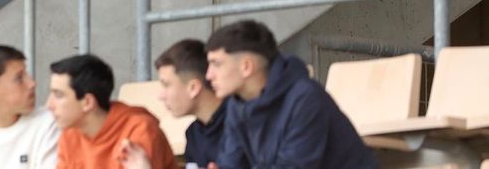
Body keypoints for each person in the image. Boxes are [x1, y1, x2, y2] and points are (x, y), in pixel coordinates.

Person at [205, 19, 376, 169]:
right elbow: (231, 162)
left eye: (216, 64)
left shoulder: (305, 98)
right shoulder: (238, 103)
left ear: (246, 67)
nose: (208, 75)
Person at [47, 54, 174, 169]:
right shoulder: (70, 134)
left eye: (58, 95)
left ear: (87, 102)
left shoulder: (139, 130)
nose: (49, 105)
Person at [117, 39, 226, 169]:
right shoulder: (193, 133)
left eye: (166, 85)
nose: (161, 95)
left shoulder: (244, 123)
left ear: (193, 88)